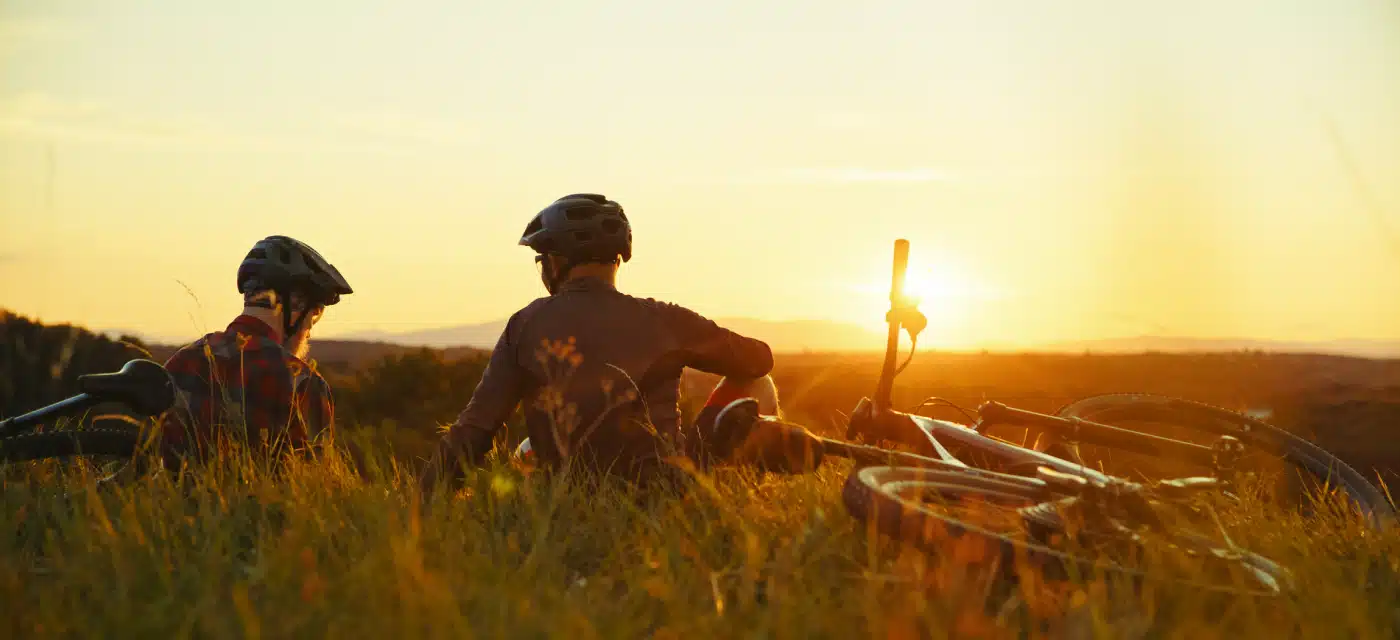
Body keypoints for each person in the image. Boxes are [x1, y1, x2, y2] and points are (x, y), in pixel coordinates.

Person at [419, 194, 821, 492]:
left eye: (542, 259)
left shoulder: (525, 324)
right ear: (617, 257)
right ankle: (735, 495)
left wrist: (421, 508)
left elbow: (474, 430)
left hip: (565, 496)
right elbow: (760, 359)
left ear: (557, 261)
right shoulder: (665, 318)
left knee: (527, 447)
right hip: (668, 491)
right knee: (758, 384)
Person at [160, 235, 353, 461]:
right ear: (297, 302)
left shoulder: (181, 363)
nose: (310, 327)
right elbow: (314, 485)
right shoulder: (301, 382)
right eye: (317, 312)